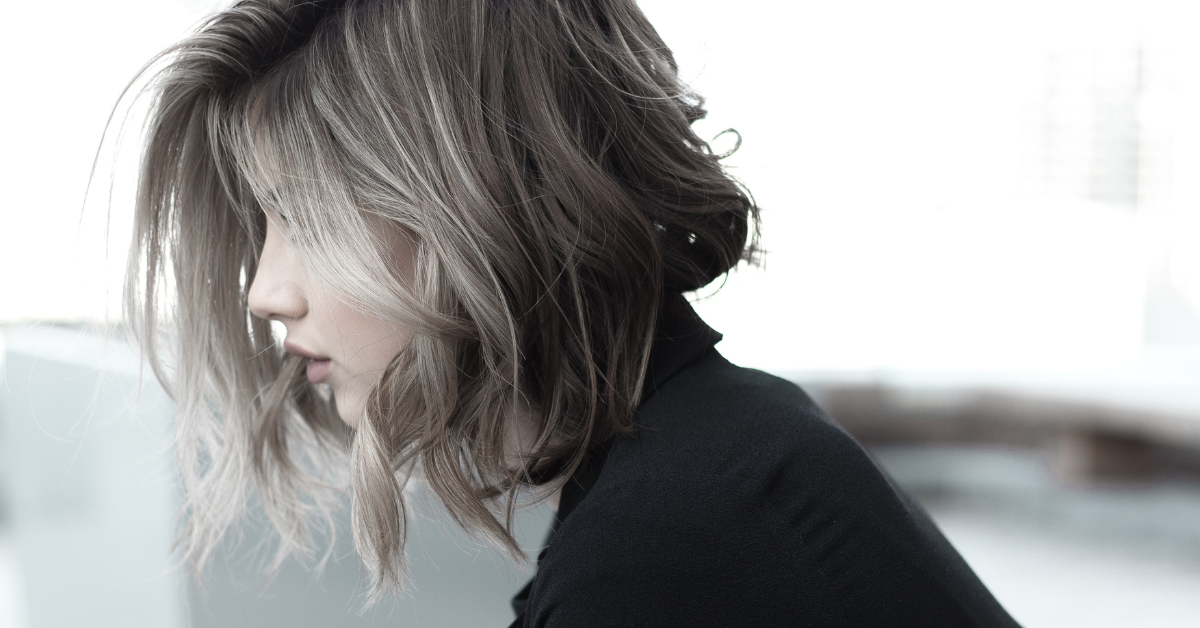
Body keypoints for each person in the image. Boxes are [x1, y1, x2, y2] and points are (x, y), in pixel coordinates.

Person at [124, 0, 1020, 625]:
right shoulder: (722, 451)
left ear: (475, 202)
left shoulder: (670, 546)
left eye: (306, 217)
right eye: (264, 225)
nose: (263, 290)